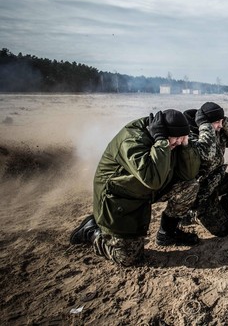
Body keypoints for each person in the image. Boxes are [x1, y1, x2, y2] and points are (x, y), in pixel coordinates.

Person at [69, 109, 201, 267]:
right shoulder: (132, 139)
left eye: (182, 138)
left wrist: (185, 145)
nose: (179, 142)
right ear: (162, 133)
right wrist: (161, 143)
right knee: (129, 258)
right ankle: (91, 231)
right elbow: (152, 179)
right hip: (119, 199)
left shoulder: (174, 140)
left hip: (144, 191)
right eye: (177, 139)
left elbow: (189, 174)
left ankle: (167, 233)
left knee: (189, 186)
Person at [186, 102, 228, 237]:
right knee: (224, 230)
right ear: (205, 124)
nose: (220, 126)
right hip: (200, 191)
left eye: (221, 121)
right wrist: (207, 127)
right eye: (217, 122)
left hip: (215, 181)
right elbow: (207, 155)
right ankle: (192, 213)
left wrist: (224, 121)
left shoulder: (217, 130)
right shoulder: (189, 136)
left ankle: (221, 209)